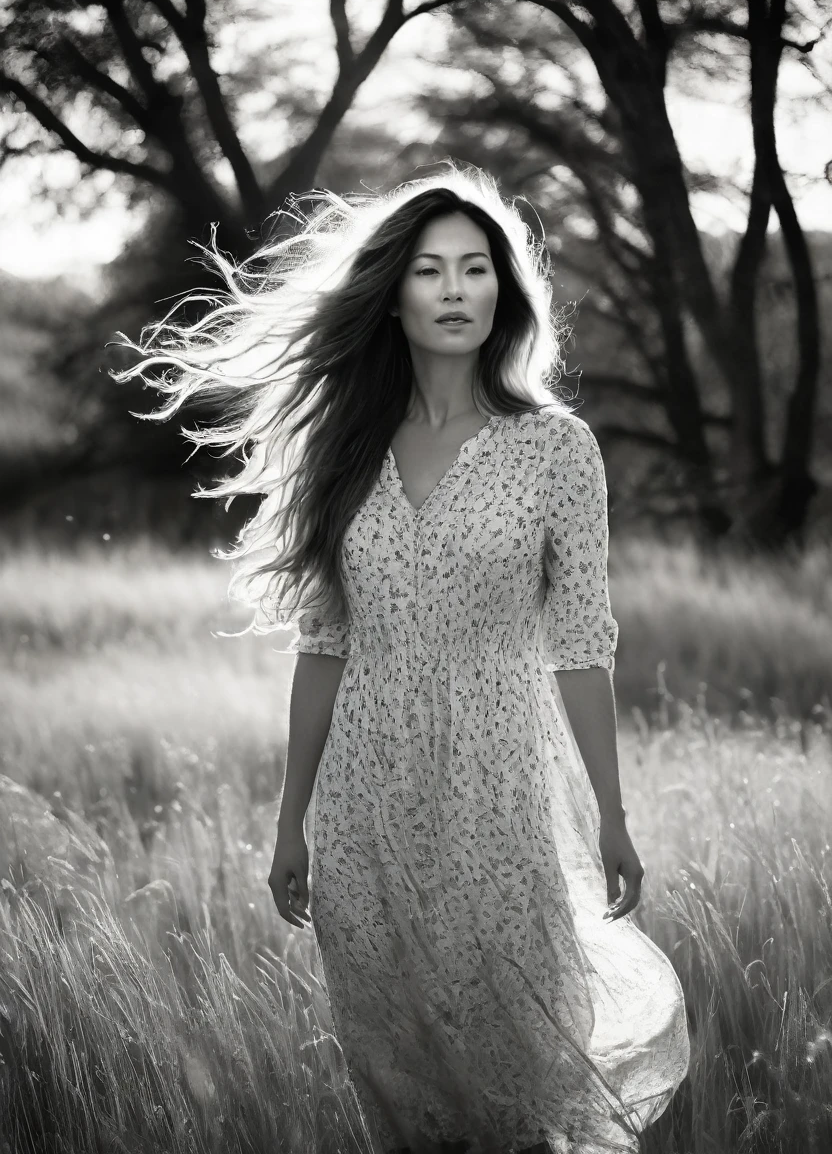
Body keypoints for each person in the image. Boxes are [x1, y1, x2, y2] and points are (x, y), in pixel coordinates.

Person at [112, 163, 690, 1154]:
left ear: (505, 291)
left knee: (525, 1071)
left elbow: (583, 646)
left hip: (502, 790)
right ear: (393, 295)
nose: (456, 290)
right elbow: (323, 643)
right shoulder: (341, 446)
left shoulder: (556, 449)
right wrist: (290, 823)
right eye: (430, 270)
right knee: (402, 1091)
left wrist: (613, 818)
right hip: (365, 805)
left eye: (476, 268)